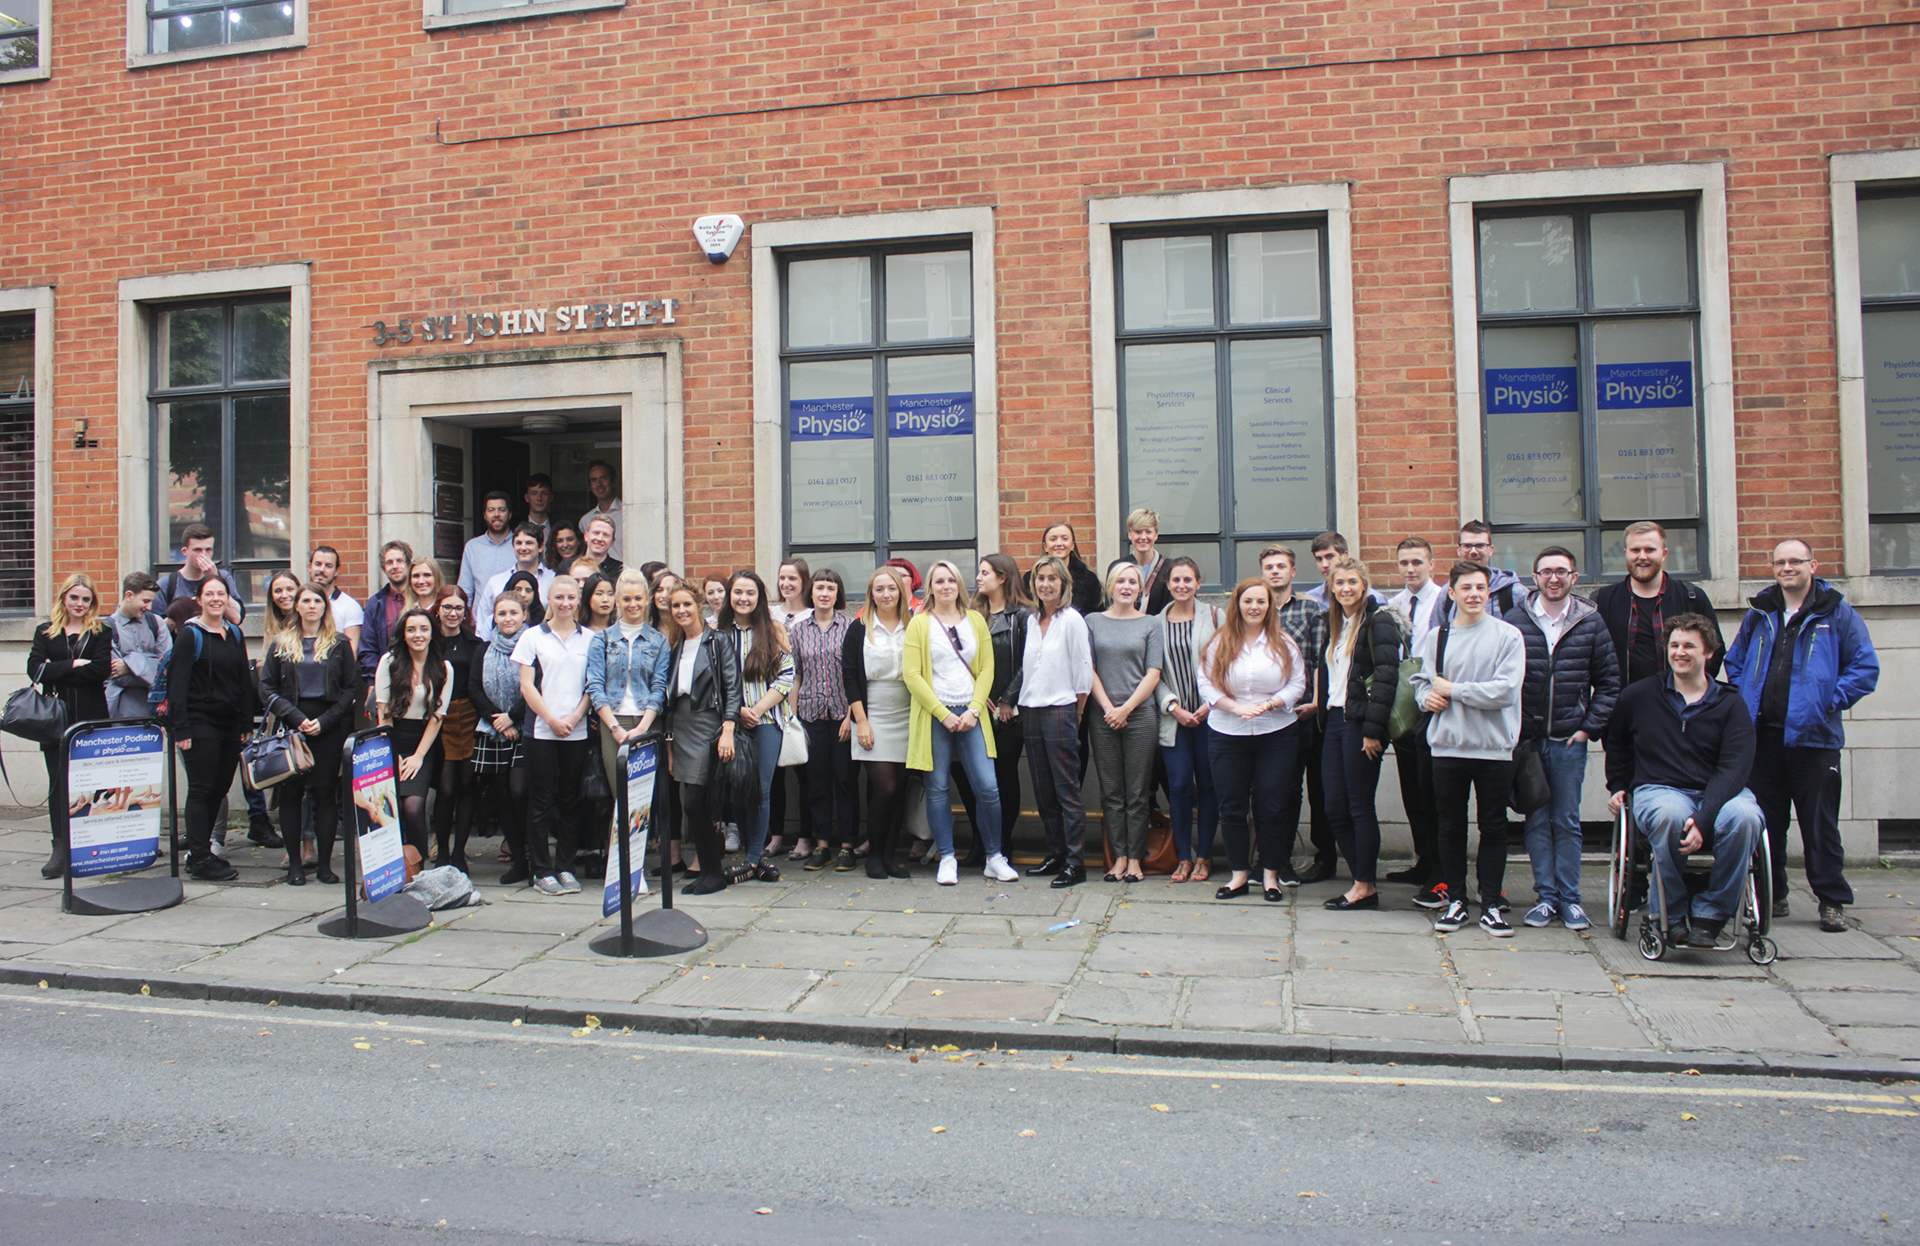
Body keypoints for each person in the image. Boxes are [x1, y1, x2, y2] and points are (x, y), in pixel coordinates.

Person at [1724, 539, 1879, 932]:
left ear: (1813, 564)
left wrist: (1827, 701)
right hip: (1764, 739)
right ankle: (1772, 895)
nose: (1787, 567)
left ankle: (1831, 900)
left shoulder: (1837, 613)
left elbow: (1864, 668)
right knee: (1767, 824)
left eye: (1795, 561)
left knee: (1819, 825)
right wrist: (1746, 698)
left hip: (1815, 739)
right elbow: (1735, 660)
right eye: (1780, 562)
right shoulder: (1761, 612)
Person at [1606, 614, 1765, 949]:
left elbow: (1735, 768)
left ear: (1708, 653)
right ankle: (1671, 914)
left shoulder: (1731, 704)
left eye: (1689, 646)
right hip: (1660, 788)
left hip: (1720, 790)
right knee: (1670, 815)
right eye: (1674, 645)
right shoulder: (1639, 696)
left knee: (1746, 818)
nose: (1679, 652)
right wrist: (1618, 784)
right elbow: (1617, 742)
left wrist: (1705, 818)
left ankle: (1711, 914)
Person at [1411, 561, 1526, 936]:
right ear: (1453, 593)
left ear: (1488, 591)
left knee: (1493, 827)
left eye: (1480, 587)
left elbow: (1505, 691)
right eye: (1466, 588)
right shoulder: (1438, 637)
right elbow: (1422, 681)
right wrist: (1427, 696)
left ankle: (1491, 903)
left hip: (1493, 749)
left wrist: (1453, 690)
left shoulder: (1508, 636)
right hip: (1447, 748)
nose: (1474, 594)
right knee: (1450, 827)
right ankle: (1457, 900)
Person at [1510, 546, 1620, 931]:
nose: (1553, 578)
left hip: (1569, 741)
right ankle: (1545, 898)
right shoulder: (1515, 620)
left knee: (1567, 820)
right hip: (1529, 741)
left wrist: (1589, 727)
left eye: (1561, 571)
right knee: (1536, 820)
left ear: (1574, 577)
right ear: (1534, 577)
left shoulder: (1591, 621)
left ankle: (1571, 900)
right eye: (1545, 572)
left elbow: (1609, 682)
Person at [903, 560, 1019, 886]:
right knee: (937, 787)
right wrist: (942, 713)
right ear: (930, 588)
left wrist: (974, 710)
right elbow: (912, 675)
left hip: (972, 716)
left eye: (951, 580)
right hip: (935, 715)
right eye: (938, 581)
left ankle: (994, 857)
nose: (945, 586)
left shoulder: (976, 621)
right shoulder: (919, 624)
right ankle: (947, 857)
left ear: (959, 585)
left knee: (988, 786)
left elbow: (986, 669)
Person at [1198, 578, 1308, 901]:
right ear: (1238, 604)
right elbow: (1205, 683)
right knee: (1231, 807)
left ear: (1269, 606)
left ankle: (1270, 875)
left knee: (1272, 805)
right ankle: (1238, 876)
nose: (1255, 607)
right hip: (1227, 732)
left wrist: (1269, 704)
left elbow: (1298, 683)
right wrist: (1235, 707)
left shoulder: (1283, 642)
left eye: (1261, 601)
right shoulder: (1219, 642)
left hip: (1276, 732)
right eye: (1248, 601)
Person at [1317, 556, 1406, 911]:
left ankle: (1363, 885)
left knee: (1358, 806)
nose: (1345, 588)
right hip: (1335, 721)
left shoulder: (1378, 622)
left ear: (1364, 586)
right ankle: (1361, 880)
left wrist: (1374, 731)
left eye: (1352, 582)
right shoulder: (1336, 623)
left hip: (1360, 725)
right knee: (1333, 806)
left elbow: (1387, 678)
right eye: (1339, 583)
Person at [258, 581, 358, 885]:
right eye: (306, 601)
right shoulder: (281, 643)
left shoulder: (339, 643)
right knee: (291, 794)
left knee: (325, 794)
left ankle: (325, 865)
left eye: (318, 601)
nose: (312, 606)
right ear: (297, 606)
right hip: (292, 726)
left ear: (324, 607)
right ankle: (295, 866)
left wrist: (324, 721)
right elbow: (266, 687)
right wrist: (297, 718)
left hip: (327, 728)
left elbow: (350, 688)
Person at [163, 576, 258, 882]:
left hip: (230, 724)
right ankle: (201, 857)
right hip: (199, 723)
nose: (216, 599)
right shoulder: (190, 635)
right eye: (210, 594)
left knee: (219, 789)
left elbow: (243, 679)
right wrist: (181, 729)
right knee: (201, 789)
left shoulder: (234, 633)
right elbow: (176, 684)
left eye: (221, 594)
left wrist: (246, 722)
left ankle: (198, 854)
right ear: (199, 599)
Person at [513, 576, 594, 896]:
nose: (565, 603)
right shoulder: (532, 637)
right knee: (541, 801)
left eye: (571, 597)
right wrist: (550, 718)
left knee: (571, 801)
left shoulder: (589, 638)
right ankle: (542, 870)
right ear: (549, 598)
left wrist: (574, 718)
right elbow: (526, 686)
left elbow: (593, 685)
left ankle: (565, 866)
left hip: (577, 731)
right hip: (541, 732)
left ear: (578, 600)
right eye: (559, 597)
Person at [28, 574, 113, 878]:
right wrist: (74, 665)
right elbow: (35, 670)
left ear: (93, 602)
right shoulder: (46, 633)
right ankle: (60, 848)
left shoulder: (101, 631)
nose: (79, 604)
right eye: (74, 597)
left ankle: (91, 846)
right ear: (64, 598)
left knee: (92, 784)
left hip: (91, 718)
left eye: (86, 599)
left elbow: (101, 670)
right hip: (55, 720)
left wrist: (57, 671)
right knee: (58, 785)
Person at [1019, 555, 1093, 887]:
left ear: (1063, 583)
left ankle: (1075, 862)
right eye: (1040, 578)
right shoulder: (1033, 620)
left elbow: (1083, 669)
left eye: (1052, 578)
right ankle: (1056, 853)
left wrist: (1076, 712)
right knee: (1042, 789)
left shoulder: (1072, 619)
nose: (1045, 584)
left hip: (1061, 708)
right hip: (1031, 710)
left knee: (1066, 790)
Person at [1086, 561, 1163, 881]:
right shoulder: (1092, 621)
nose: (1126, 586)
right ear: (1110, 586)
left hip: (1140, 714)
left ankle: (1135, 859)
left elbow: (1153, 672)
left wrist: (1126, 709)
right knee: (1111, 792)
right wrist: (1108, 707)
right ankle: (1117, 857)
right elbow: (1087, 668)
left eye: (1133, 581)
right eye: (1121, 581)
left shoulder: (1150, 624)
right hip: (1102, 714)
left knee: (1137, 791)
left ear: (1141, 588)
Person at [587, 569, 668, 869]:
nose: (632, 604)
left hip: (647, 723)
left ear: (647, 600)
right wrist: (615, 728)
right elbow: (595, 685)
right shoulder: (602, 640)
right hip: (614, 723)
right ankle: (623, 867)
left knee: (642, 797)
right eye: (626, 599)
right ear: (617, 601)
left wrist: (643, 727)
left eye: (638, 598)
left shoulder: (659, 641)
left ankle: (635, 868)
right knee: (622, 797)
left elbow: (660, 687)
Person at [955, 554, 1030, 868]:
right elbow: (958, 660)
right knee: (971, 779)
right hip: (974, 707)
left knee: (1002, 778)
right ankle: (979, 841)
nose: (978, 578)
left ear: (1002, 577)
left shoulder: (1023, 616)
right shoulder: (971, 615)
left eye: (985, 572)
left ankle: (1001, 843)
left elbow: (1029, 662)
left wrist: (1005, 700)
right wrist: (978, 694)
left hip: (1010, 713)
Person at [663, 581, 738, 895]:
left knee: (695, 803)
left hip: (709, 727)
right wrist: (668, 745)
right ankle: (707, 871)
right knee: (692, 804)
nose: (681, 611)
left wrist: (729, 730)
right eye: (675, 606)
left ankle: (714, 873)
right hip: (680, 727)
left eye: (686, 605)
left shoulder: (717, 641)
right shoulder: (674, 644)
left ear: (699, 607)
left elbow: (733, 688)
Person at [719, 570, 794, 882]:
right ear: (729, 596)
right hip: (730, 723)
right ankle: (753, 857)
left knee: (761, 789)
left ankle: (752, 858)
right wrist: (737, 711)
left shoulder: (774, 630)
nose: (743, 598)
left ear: (760, 598)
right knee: (737, 787)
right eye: (738, 592)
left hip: (766, 721)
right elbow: (714, 679)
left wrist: (758, 709)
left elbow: (787, 676)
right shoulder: (717, 632)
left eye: (750, 593)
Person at [1258, 544, 1326, 885]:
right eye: (1269, 567)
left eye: (1281, 566)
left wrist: (1314, 703)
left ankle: (1281, 860)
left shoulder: (1311, 610)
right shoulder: (1254, 609)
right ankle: (1263, 859)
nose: (1275, 572)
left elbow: (1317, 659)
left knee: (1290, 790)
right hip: (1258, 715)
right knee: (1265, 790)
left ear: (1292, 572)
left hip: (1300, 713)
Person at [784, 568, 857, 871]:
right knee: (816, 783)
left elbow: (857, 675)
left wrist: (852, 717)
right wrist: (793, 716)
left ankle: (848, 847)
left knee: (845, 780)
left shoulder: (852, 627)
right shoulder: (798, 631)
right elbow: (795, 674)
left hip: (843, 714)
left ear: (838, 594)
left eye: (831, 588)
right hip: (811, 713)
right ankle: (822, 844)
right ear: (810, 593)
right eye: (819, 588)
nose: (825, 593)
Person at [844, 565, 913, 880]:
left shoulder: (914, 625)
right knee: (883, 787)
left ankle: (889, 857)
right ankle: (873, 855)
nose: (886, 594)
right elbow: (850, 677)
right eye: (879, 589)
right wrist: (862, 722)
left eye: (892, 588)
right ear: (871, 594)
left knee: (900, 789)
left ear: (901, 591)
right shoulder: (859, 627)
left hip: (908, 712)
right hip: (873, 712)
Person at [1385, 537, 1446, 893]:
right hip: (1404, 707)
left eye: (1417, 563)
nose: (1410, 569)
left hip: (1435, 704)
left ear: (1432, 565)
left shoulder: (1444, 600)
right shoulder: (1394, 604)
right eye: (1404, 563)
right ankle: (1424, 859)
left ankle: (1440, 869)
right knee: (1412, 789)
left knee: (1433, 790)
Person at [1592, 520, 1720, 686]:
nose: (1642, 556)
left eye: (1650, 550)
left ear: (1664, 553)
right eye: (1635, 550)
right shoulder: (1603, 600)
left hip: (1677, 705)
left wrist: (1691, 691)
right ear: (1626, 553)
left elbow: (1715, 648)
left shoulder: (1691, 597)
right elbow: (1591, 656)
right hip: (1622, 705)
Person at [1156, 557, 1221, 881]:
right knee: (1180, 786)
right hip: (1175, 720)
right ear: (1168, 584)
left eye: (1188, 580)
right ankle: (1183, 857)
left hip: (1212, 717)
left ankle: (1205, 857)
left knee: (1209, 786)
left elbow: (1229, 662)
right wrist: (1173, 707)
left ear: (1198, 583)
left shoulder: (1215, 616)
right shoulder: (1156, 622)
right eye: (1176, 580)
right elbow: (1152, 673)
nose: (1181, 585)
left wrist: (1212, 702)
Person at [376, 607, 451, 867]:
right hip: (392, 737)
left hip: (424, 743)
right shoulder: (389, 662)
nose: (417, 634)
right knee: (391, 808)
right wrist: (392, 753)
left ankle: (417, 867)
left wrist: (418, 757)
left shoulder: (444, 668)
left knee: (414, 806)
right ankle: (392, 864)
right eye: (411, 629)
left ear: (432, 633)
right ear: (403, 635)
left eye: (423, 629)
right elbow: (383, 713)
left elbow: (437, 717)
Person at [470, 592, 533, 885]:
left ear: (524, 616)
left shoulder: (533, 647)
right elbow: (474, 689)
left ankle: (535, 853)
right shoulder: (483, 650)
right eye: (502, 613)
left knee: (521, 791)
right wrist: (498, 719)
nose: (508, 618)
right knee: (502, 797)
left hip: (525, 728)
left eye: (513, 613)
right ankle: (518, 860)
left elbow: (536, 684)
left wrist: (513, 717)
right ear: (494, 617)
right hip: (492, 730)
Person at [429, 586, 482, 873]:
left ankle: (459, 852)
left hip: (468, 715)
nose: (453, 613)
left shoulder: (473, 644)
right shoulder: (428, 641)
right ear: (437, 609)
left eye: (458, 608)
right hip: (439, 717)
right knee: (446, 787)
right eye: (447, 607)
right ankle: (442, 851)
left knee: (467, 785)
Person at [768, 556, 812, 860]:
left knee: (806, 774)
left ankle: (805, 837)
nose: (786, 584)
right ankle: (775, 835)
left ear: (803, 582)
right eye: (782, 578)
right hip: (770, 704)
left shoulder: (812, 615)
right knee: (773, 777)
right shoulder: (769, 614)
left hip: (805, 705)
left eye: (792, 579)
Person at [105, 571, 170, 721]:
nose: (149, 607)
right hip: (122, 714)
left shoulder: (157, 623)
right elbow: (117, 677)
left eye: (151, 601)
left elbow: (166, 669)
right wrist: (151, 665)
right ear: (128, 596)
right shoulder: (107, 628)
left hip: (156, 714)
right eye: (145, 601)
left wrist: (129, 665)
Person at [150, 523, 244, 625]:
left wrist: (214, 578)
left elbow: (236, 618)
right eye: (197, 550)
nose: (204, 555)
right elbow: (158, 629)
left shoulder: (223, 577)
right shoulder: (167, 584)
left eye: (208, 550)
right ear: (185, 551)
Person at [474, 524, 552, 642]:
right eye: (518, 543)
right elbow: (483, 621)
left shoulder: (553, 579)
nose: (523, 548)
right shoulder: (495, 582)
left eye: (529, 543)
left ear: (540, 547)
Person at [359, 540, 414, 699]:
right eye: (389, 562)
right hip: (389, 680)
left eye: (399, 561)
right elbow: (368, 647)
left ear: (408, 564)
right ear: (384, 568)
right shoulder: (375, 604)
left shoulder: (422, 598)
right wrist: (372, 682)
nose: (395, 566)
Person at [1446, 522, 1523, 619]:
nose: (1473, 551)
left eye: (1480, 545)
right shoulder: (1447, 592)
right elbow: (1439, 630)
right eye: (1467, 546)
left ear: (1491, 550)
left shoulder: (1514, 592)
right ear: (1458, 550)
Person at [1105, 507, 1172, 616]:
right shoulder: (1117, 567)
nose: (1143, 537)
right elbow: (1109, 603)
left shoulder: (1169, 568)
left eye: (1148, 532)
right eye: (1138, 532)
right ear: (1130, 534)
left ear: (1156, 535)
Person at [1302, 532, 1390, 608]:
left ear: (1345, 555)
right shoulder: (1311, 599)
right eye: (1319, 559)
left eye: (1330, 557)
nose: (1325, 565)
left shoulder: (1375, 598)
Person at [458, 492, 519, 600]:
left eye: (502, 510)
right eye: (491, 510)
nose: (496, 514)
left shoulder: (520, 545)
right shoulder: (472, 547)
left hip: (513, 614)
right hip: (480, 615)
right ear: (485, 515)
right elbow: (465, 588)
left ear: (509, 514)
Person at [1036, 522, 1103, 615]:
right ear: (1045, 546)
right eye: (1053, 539)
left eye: (1065, 538)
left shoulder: (1089, 579)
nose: (1059, 543)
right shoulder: (1031, 578)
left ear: (1072, 545)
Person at [308, 546, 363, 654]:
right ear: (310, 567)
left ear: (336, 571)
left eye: (328, 566)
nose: (321, 570)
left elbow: (351, 653)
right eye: (318, 564)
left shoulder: (350, 606)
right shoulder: (300, 602)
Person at [579, 460, 624, 562]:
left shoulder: (627, 515)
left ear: (613, 481)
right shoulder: (585, 520)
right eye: (593, 480)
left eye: (603, 478)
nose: (599, 484)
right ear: (590, 486)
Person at [580, 515, 624, 581]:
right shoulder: (568, 566)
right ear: (586, 536)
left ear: (612, 541)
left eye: (605, 535)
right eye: (596, 533)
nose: (599, 539)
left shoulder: (620, 570)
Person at [520, 473, 555, 554]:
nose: (539, 498)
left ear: (551, 497)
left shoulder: (557, 526)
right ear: (526, 498)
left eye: (544, 493)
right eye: (534, 493)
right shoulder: (515, 527)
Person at [263, 569, 302, 637]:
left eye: (290, 589)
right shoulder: (270, 630)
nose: (284, 595)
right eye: (278, 591)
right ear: (271, 596)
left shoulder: (307, 625)